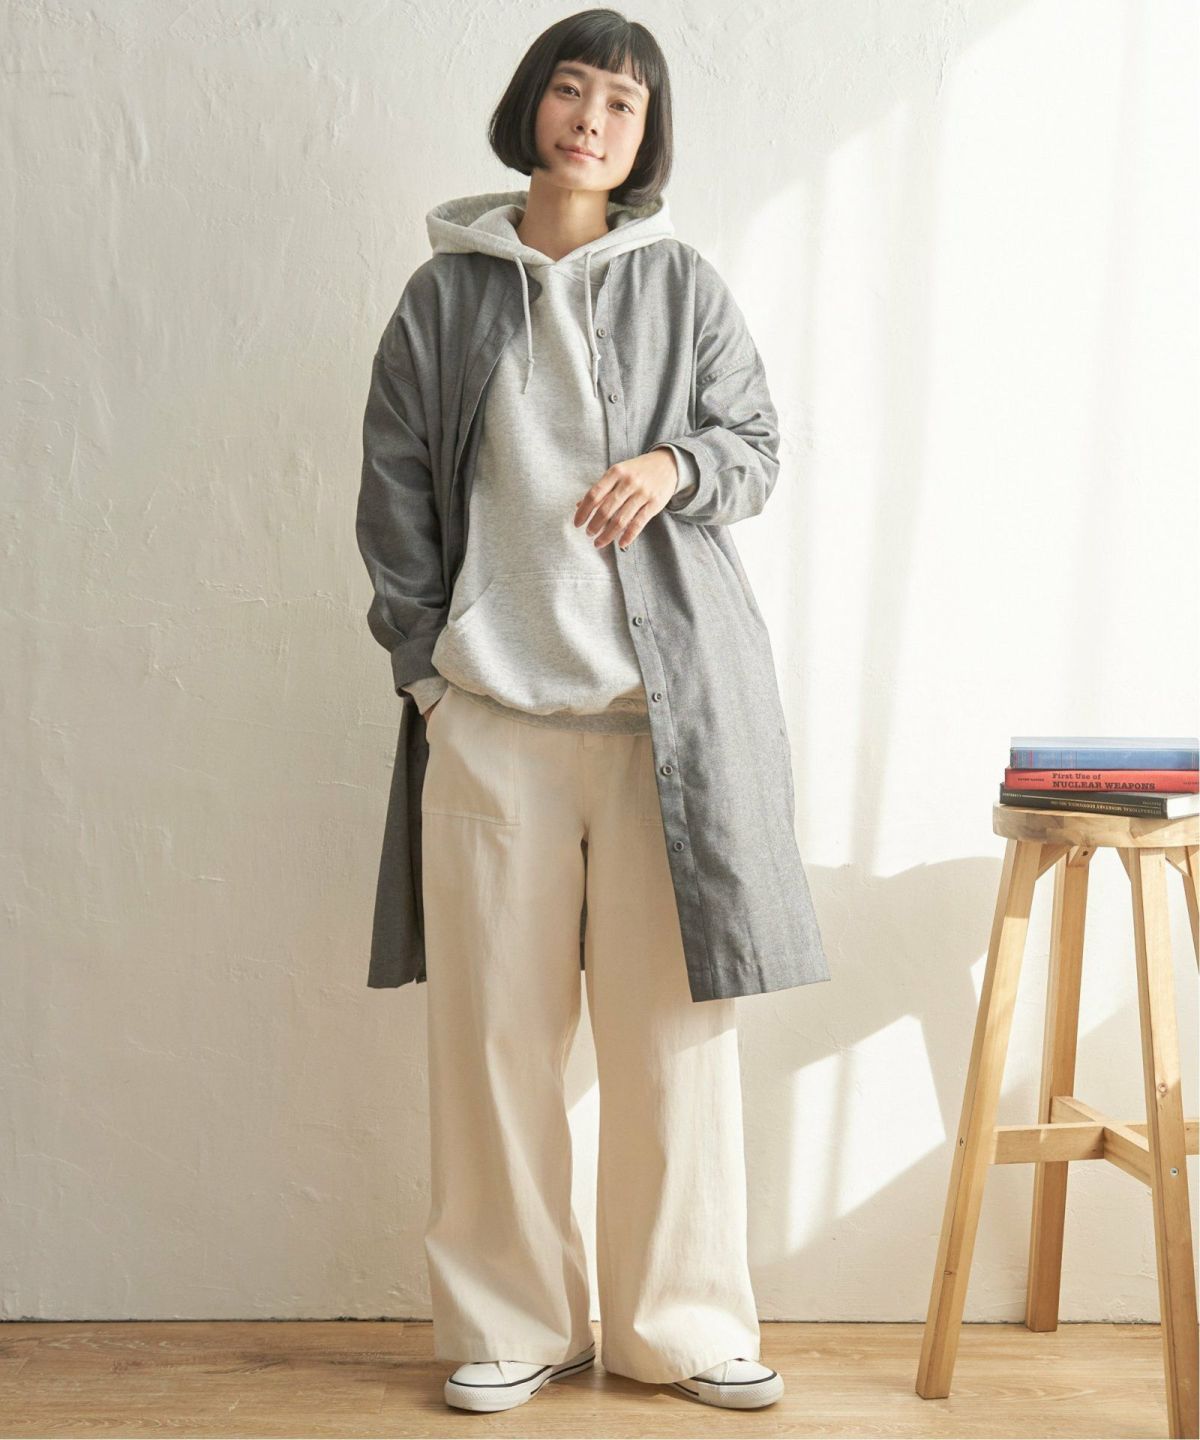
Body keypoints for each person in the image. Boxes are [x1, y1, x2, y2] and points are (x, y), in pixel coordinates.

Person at [356, 5, 830, 1416]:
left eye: (623, 105)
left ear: (645, 140)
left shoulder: (683, 283)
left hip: (660, 731)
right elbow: (393, 501)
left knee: (672, 1044)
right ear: (532, 108)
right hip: (492, 721)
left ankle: (680, 1328)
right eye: (573, 91)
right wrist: (429, 681)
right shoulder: (441, 299)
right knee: (493, 1048)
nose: (592, 119)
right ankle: (514, 1323)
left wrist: (676, 465)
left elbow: (756, 447)